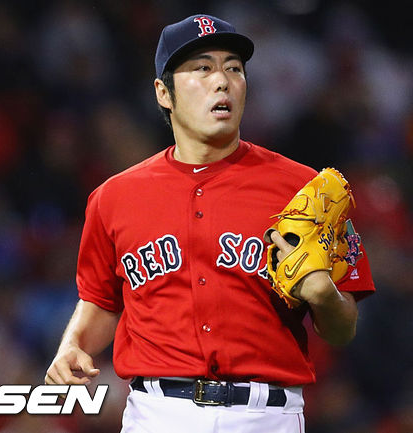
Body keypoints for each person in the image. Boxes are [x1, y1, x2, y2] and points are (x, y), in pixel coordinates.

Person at [45, 14, 375, 433]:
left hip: (265, 416)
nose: (222, 81)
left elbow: (343, 329)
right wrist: (74, 343)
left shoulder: (306, 189)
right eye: (202, 68)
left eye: (233, 68)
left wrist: (325, 296)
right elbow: (103, 300)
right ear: (164, 93)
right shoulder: (113, 198)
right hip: (157, 414)